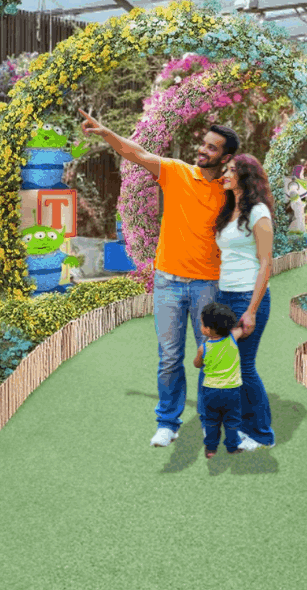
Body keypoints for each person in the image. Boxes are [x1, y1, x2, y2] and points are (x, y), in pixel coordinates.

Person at [78, 107, 239, 447]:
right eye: (204, 143)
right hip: (168, 282)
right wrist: (107, 133)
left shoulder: (230, 191)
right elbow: (136, 153)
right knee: (169, 358)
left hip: (208, 284)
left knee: (210, 356)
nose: (203, 150)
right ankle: (168, 422)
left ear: (226, 157)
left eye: (212, 148)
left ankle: (211, 421)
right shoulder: (177, 172)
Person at [214, 154, 276, 450]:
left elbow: (266, 263)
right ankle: (241, 427)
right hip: (225, 295)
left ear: (246, 176)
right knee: (228, 365)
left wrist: (251, 310)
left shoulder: (258, 212)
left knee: (245, 366)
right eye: (225, 169)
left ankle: (262, 434)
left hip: (247, 297)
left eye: (231, 170)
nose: (225, 173)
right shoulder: (229, 210)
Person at [192, 302, 245, 458]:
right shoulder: (233, 338)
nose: (201, 326)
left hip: (211, 391)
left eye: (202, 324)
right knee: (232, 420)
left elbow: (197, 364)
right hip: (232, 390)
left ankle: (211, 448)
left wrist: (200, 358)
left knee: (211, 421)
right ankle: (233, 446)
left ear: (208, 330)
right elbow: (241, 329)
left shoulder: (204, 348)